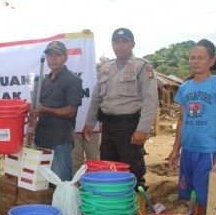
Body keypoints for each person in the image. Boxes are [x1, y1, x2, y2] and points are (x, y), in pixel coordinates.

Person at [83, 27, 158, 189]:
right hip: (108, 127)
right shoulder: (106, 67)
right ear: (112, 45)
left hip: (130, 127)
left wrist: (142, 129)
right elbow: (96, 98)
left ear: (132, 45)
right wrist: (90, 123)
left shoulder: (143, 67)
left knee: (133, 171)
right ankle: (115, 207)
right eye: (116, 42)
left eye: (125, 42)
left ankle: (136, 208)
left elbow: (150, 101)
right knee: (109, 168)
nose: (120, 46)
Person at [168, 39, 216, 215]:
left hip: (208, 151)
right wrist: (176, 149)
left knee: (206, 195)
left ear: (211, 62)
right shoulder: (185, 87)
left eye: (201, 58)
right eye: (192, 58)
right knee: (188, 193)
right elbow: (182, 119)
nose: (195, 61)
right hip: (188, 150)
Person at [31, 40, 83, 182]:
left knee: (62, 183)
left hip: (60, 141)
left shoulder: (73, 80)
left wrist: (45, 109)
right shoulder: (45, 80)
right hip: (41, 138)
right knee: (43, 183)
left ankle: (63, 206)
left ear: (65, 58)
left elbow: (71, 111)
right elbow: (39, 107)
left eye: (57, 55)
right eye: (49, 55)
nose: (52, 58)